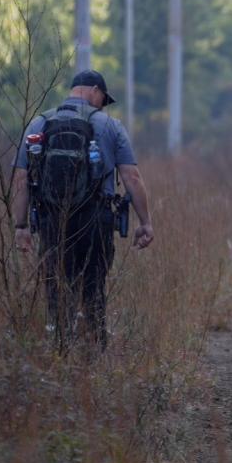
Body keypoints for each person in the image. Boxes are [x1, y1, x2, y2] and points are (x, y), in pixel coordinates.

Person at [12, 70, 154, 353]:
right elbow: (132, 178)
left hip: (52, 218)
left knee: (56, 284)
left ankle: (58, 349)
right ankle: (94, 353)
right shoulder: (110, 126)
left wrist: (21, 226)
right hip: (96, 219)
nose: (103, 105)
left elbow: (20, 179)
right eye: (103, 98)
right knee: (93, 285)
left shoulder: (39, 122)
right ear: (94, 90)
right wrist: (145, 222)